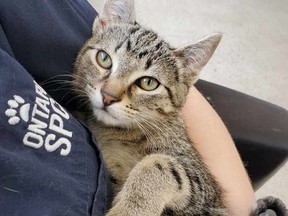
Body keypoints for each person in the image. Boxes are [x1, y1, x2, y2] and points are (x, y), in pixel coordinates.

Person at [0, 0, 273, 215]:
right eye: (105, 60)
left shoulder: (162, 137)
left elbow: (210, 200)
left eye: (146, 82)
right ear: (102, 26)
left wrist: (155, 178)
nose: (110, 92)